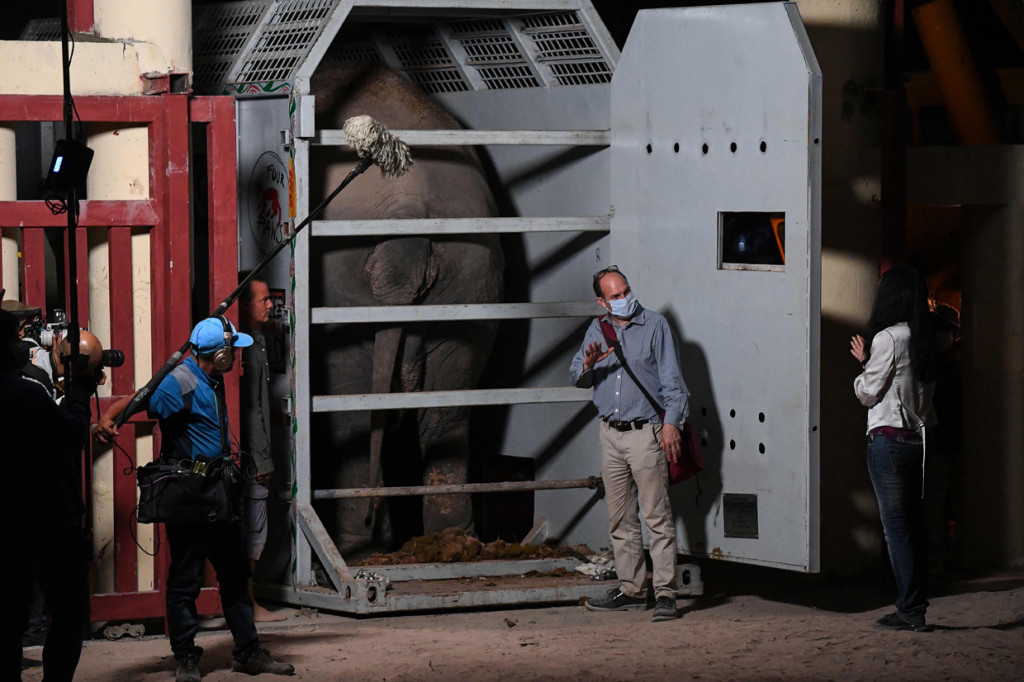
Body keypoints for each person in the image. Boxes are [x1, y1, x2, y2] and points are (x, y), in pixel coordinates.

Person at [97, 317, 293, 681]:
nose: (236, 355)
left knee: (235, 575)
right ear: (217, 355)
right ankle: (186, 658)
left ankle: (248, 653)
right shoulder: (180, 383)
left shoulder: (211, 378)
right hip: (189, 495)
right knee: (185, 580)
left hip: (219, 494)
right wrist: (109, 416)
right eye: (231, 350)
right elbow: (139, 401)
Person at [570, 265, 689, 623]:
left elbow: (673, 383)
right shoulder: (597, 328)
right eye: (615, 296)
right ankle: (633, 589)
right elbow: (576, 374)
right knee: (620, 518)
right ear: (602, 301)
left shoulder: (655, 325)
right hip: (610, 433)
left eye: (626, 291)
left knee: (657, 516)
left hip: (645, 433)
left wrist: (671, 425)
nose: (624, 299)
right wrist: (589, 365)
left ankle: (665, 593)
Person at [0, 310, 95, 681]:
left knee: (7, 621)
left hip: (12, 524)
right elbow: (71, 437)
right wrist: (80, 395)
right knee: (69, 613)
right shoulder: (23, 394)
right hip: (44, 520)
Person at [850, 266, 939, 633]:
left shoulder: (888, 338)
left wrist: (862, 366)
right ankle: (913, 603)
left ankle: (909, 609)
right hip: (918, 441)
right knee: (913, 527)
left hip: (887, 439)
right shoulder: (925, 338)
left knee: (896, 530)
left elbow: (868, 392)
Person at [237, 272, 285, 621]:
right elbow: (251, 407)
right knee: (253, 528)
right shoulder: (247, 346)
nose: (271, 305)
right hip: (251, 457)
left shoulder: (254, 340)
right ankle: (248, 605)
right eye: (263, 300)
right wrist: (261, 458)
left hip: (247, 454)